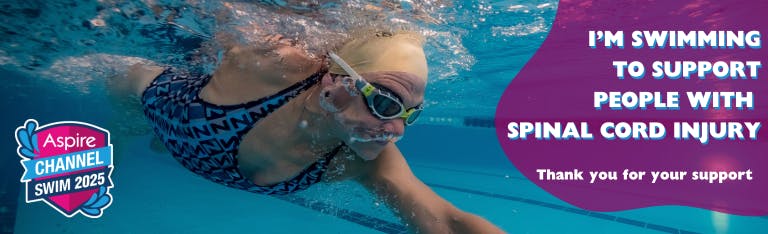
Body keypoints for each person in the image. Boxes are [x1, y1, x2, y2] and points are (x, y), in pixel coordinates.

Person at [119, 30, 503, 233]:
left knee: (163, 145)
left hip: (193, 147)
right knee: (131, 124)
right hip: (159, 99)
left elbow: (447, 223)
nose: (396, 130)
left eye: (410, 115)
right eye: (387, 104)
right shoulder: (275, 64)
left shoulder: (361, 159)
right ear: (334, 82)